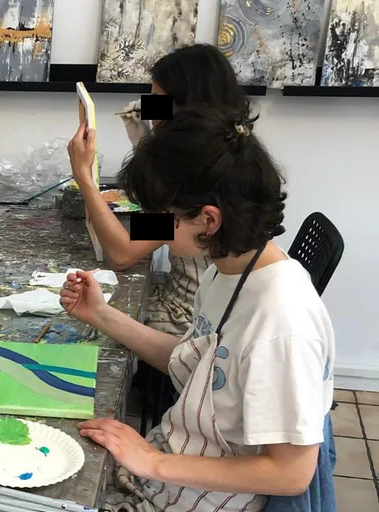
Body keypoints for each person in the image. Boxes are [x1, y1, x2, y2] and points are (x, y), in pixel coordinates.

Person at [61, 107, 335, 511]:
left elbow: (291, 473)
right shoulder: (226, 270)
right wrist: (101, 314)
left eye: (161, 215)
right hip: (167, 479)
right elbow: (196, 363)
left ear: (208, 220)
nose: (152, 225)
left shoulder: (282, 321)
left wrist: (154, 461)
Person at [67, 44, 256, 339]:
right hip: (200, 299)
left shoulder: (198, 169)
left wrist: (84, 176)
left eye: (156, 99)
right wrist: (145, 141)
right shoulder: (230, 144)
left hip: (189, 315)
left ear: (185, 106)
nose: (149, 109)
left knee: (85, 327)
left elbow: (121, 254)